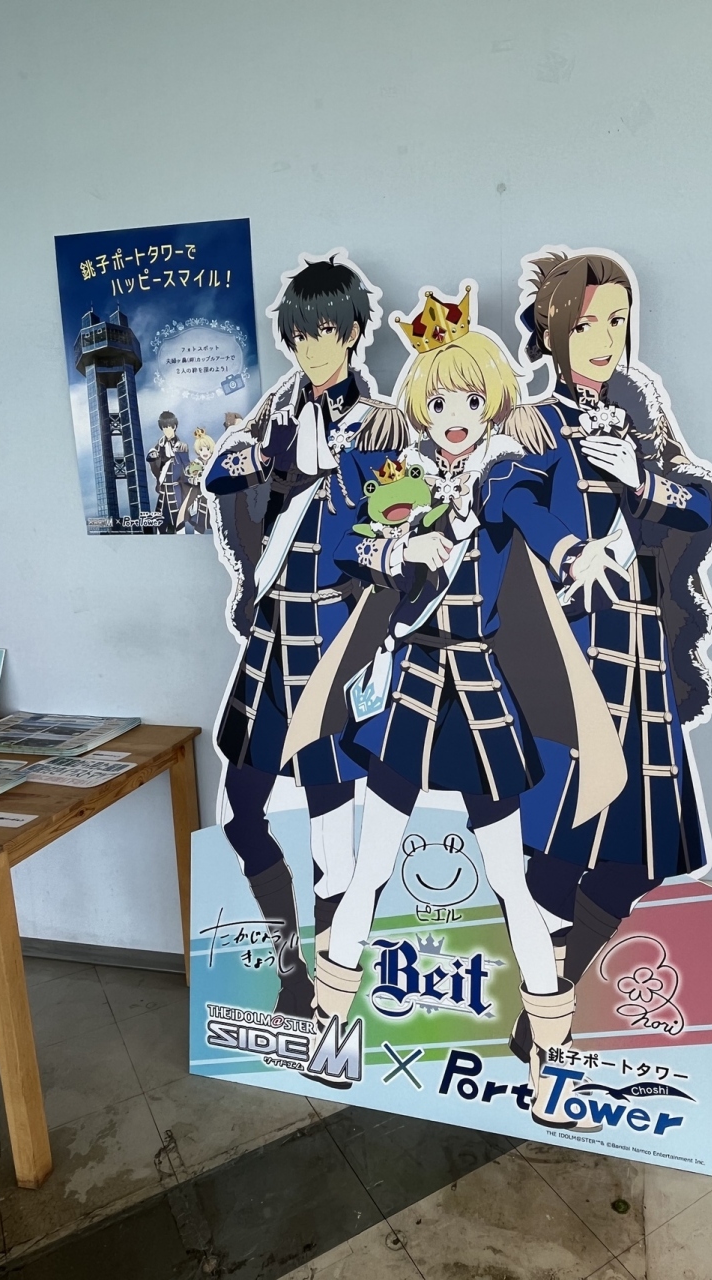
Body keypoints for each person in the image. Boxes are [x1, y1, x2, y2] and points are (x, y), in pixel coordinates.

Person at [283, 285, 626, 1127]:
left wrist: (574, 550)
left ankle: (551, 1063)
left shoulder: (504, 473)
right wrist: (401, 544)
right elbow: (340, 542)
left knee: (510, 878)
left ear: (493, 402)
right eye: (439, 403)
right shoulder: (394, 472)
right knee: (370, 866)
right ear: (419, 406)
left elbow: (534, 517)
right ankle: (330, 1032)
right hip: (411, 686)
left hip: (479, 694)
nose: (455, 417)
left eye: (471, 401)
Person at [509, 247, 712, 1060]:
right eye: (587, 323)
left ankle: (550, 999)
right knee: (549, 844)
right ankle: (545, 1010)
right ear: (552, 330)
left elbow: (700, 505)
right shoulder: (535, 422)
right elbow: (506, 494)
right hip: (566, 655)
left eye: (617, 321)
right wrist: (567, 548)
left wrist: (642, 479)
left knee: (638, 856)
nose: (604, 339)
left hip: (641, 653)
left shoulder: (638, 413)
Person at [204, 255, 408, 1019]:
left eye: (327, 329)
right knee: (241, 814)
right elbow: (221, 475)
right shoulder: (276, 414)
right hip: (272, 637)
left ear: (353, 331)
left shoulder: (380, 421)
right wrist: (273, 457)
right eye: (301, 333)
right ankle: (289, 967)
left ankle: (325, 993)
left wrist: (344, 468)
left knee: (332, 836)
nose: (314, 346)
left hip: (332, 636)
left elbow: (396, 521)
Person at [147, 411, 190, 532]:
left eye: (169, 427)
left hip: (176, 489)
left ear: (174, 427)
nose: (166, 430)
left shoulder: (182, 446)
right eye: (164, 427)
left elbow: (186, 467)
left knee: (178, 522)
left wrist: (188, 487)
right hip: (163, 489)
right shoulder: (158, 447)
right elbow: (153, 465)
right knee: (160, 522)